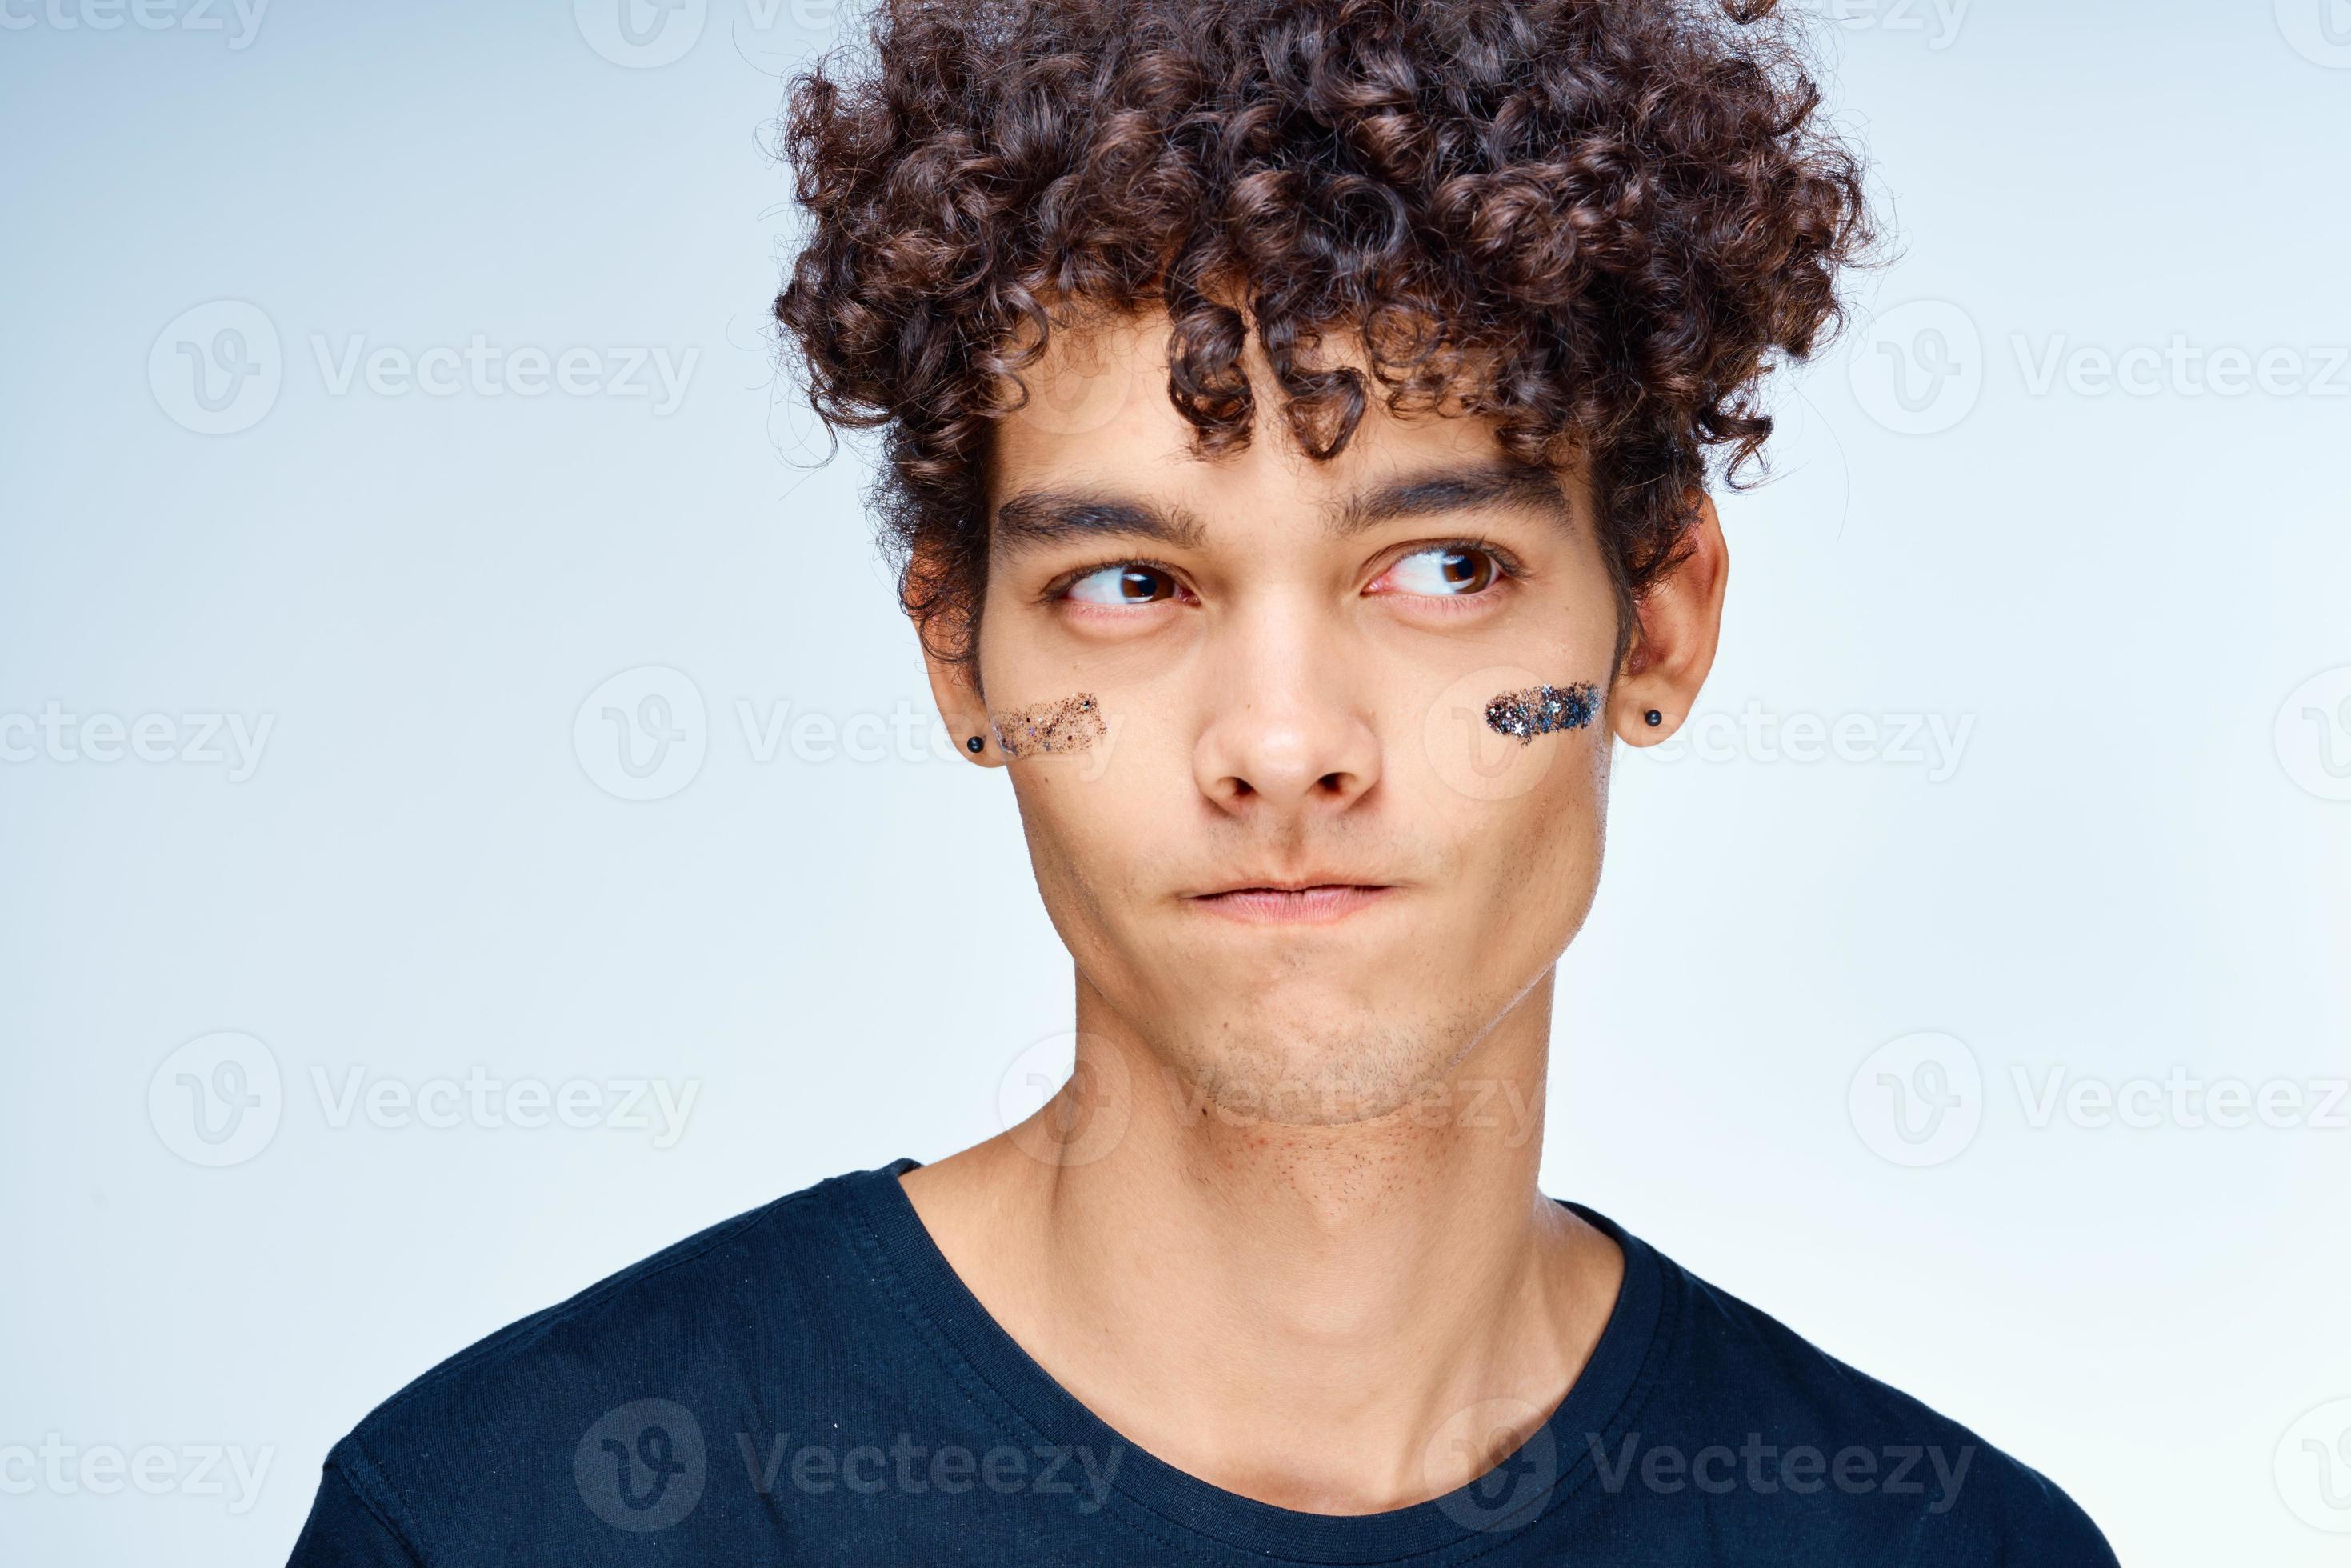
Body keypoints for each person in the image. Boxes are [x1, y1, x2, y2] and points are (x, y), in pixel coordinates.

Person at [289, 0, 2117, 1560]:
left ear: (1655, 625)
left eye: (1441, 566)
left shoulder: (1948, 1542)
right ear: (962, 653)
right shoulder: (512, 1513)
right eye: (1130, 584)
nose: (1284, 743)